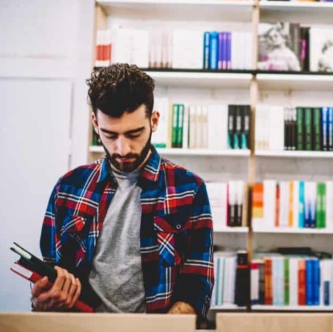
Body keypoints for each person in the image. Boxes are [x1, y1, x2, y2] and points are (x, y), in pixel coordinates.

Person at [30, 64, 214, 322]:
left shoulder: (189, 189)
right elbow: (49, 272)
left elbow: (197, 284)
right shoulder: (68, 188)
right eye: (110, 134)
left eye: (134, 133)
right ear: (95, 123)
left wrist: (164, 330)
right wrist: (42, 300)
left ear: (154, 121)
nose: (122, 148)